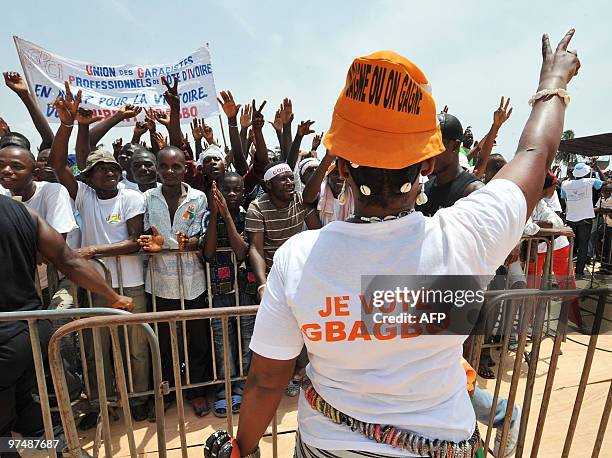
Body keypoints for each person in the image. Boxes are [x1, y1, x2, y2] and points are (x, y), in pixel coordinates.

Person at [214, 31, 580, 458]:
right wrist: (553, 83)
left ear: (343, 164)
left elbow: (266, 380)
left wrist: (244, 449)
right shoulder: (467, 235)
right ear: (426, 162)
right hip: (444, 441)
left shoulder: (299, 258)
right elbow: (536, 153)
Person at [48, 83, 150, 427]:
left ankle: (137, 399)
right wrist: (73, 125)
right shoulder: (84, 197)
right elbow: (58, 163)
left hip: (132, 283)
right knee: (97, 351)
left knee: (137, 347)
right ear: (88, 176)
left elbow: (136, 240)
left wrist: (92, 249)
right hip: (95, 286)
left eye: (113, 168)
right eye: (101, 168)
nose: (110, 172)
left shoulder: (131, 198)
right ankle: (102, 403)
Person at [0, 194, 132, 458]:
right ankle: (67, 449)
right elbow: (68, 259)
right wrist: (113, 296)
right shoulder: (21, 211)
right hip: (34, 332)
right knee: (27, 408)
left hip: (5, 340)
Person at [137, 146, 212, 418]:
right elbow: (143, 233)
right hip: (159, 282)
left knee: (198, 340)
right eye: (164, 166)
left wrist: (188, 243)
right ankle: (168, 391)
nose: (170, 172)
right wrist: (150, 243)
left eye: (176, 167)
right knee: (165, 342)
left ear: (185, 168)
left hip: (193, 281)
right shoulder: (147, 197)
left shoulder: (198, 198)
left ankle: (198, 391)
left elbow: (202, 236)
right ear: (157, 168)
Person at [201, 173, 257, 417]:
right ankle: (225, 391)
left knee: (246, 341)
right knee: (223, 342)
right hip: (219, 289)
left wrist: (227, 216)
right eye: (227, 190)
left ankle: (242, 387)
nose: (232, 194)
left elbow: (242, 251)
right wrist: (216, 215)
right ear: (218, 192)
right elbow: (209, 253)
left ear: (243, 192)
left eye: (236, 190)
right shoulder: (207, 216)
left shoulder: (247, 216)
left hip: (245, 289)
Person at [524, 172, 582, 325]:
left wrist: (538, 227)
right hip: (534, 250)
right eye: (554, 186)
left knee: (567, 283)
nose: (555, 189)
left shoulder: (541, 202)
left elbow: (557, 222)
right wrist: (542, 227)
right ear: (547, 188)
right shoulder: (527, 200)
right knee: (532, 286)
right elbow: (527, 228)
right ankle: (528, 323)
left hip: (557, 245)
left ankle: (576, 320)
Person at [561, 162, 604, 278]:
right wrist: (595, 170)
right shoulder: (590, 181)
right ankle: (579, 272)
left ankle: (566, 271)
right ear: (587, 173)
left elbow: (563, 197)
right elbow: (601, 184)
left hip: (570, 219)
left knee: (569, 246)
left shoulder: (565, 184)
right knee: (583, 245)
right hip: (585, 219)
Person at [302, 151, 353, 225]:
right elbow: (307, 198)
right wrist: (328, 157)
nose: (340, 177)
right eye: (336, 173)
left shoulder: (354, 195)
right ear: (328, 176)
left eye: (344, 174)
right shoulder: (319, 193)